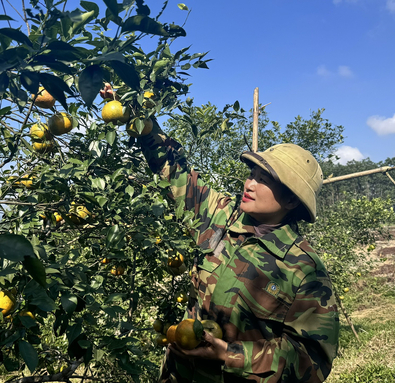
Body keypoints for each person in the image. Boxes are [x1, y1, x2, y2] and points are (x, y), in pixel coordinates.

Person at [135, 119, 340, 382]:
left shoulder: (303, 268)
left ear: (291, 200)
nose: (250, 184)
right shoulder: (220, 216)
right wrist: (137, 117)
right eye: (252, 174)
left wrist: (229, 355)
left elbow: (311, 360)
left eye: (264, 180)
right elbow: (175, 171)